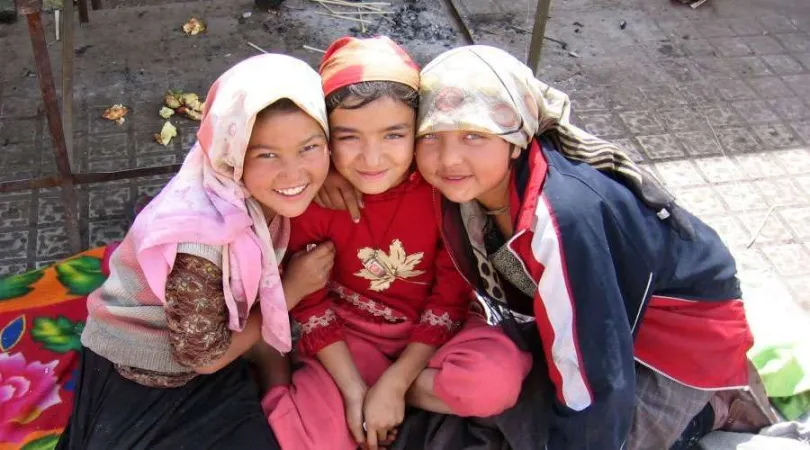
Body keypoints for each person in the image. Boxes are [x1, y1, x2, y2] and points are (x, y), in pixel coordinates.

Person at [411, 45, 762, 450]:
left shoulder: (561, 217)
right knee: (502, 396)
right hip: (601, 316)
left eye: (474, 135)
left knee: (587, 430)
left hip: (673, 340)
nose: (449, 158)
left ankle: (714, 405)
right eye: (431, 136)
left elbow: (596, 373)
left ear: (517, 138)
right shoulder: (470, 188)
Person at [262, 36, 532, 450]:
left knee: (491, 385)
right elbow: (311, 304)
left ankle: (387, 401)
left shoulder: (441, 188)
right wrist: (354, 389)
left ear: (419, 130)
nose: (371, 160)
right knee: (303, 437)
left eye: (393, 135)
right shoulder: (311, 195)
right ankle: (359, 399)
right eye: (348, 137)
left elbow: (450, 296)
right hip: (348, 341)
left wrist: (394, 384)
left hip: (437, 338)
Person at [56, 53, 335, 449]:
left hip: (215, 341)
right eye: (266, 154)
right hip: (149, 369)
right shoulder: (201, 245)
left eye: (309, 147)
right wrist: (291, 290)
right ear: (231, 151)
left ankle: (269, 377)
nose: (293, 173)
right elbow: (203, 359)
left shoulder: (245, 189)